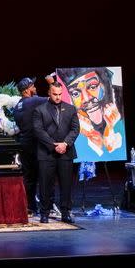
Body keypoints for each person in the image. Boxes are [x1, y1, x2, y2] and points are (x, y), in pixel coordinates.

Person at [32, 82, 80, 223]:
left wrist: (65, 144)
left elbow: (75, 129)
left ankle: (65, 213)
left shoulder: (71, 109)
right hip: (47, 153)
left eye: (60, 94)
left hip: (66, 152)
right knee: (46, 184)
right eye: (55, 94)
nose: (58, 97)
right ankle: (45, 213)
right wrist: (54, 146)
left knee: (66, 185)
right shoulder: (39, 110)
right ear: (49, 92)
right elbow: (38, 131)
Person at [58, 67, 125, 161]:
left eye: (93, 87)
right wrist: (93, 135)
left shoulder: (121, 101)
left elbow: (114, 152)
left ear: (105, 83)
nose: (86, 99)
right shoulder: (74, 122)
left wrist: (110, 129)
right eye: (75, 93)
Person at [12, 77, 47, 215]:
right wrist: (51, 82)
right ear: (27, 90)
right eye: (33, 86)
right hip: (36, 145)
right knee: (44, 176)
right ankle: (46, 207)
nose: (35, 88)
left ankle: (30, 207)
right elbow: (52, 99)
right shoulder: (33, 101)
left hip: (24, 144)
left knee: (29, 178)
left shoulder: (17, 106)